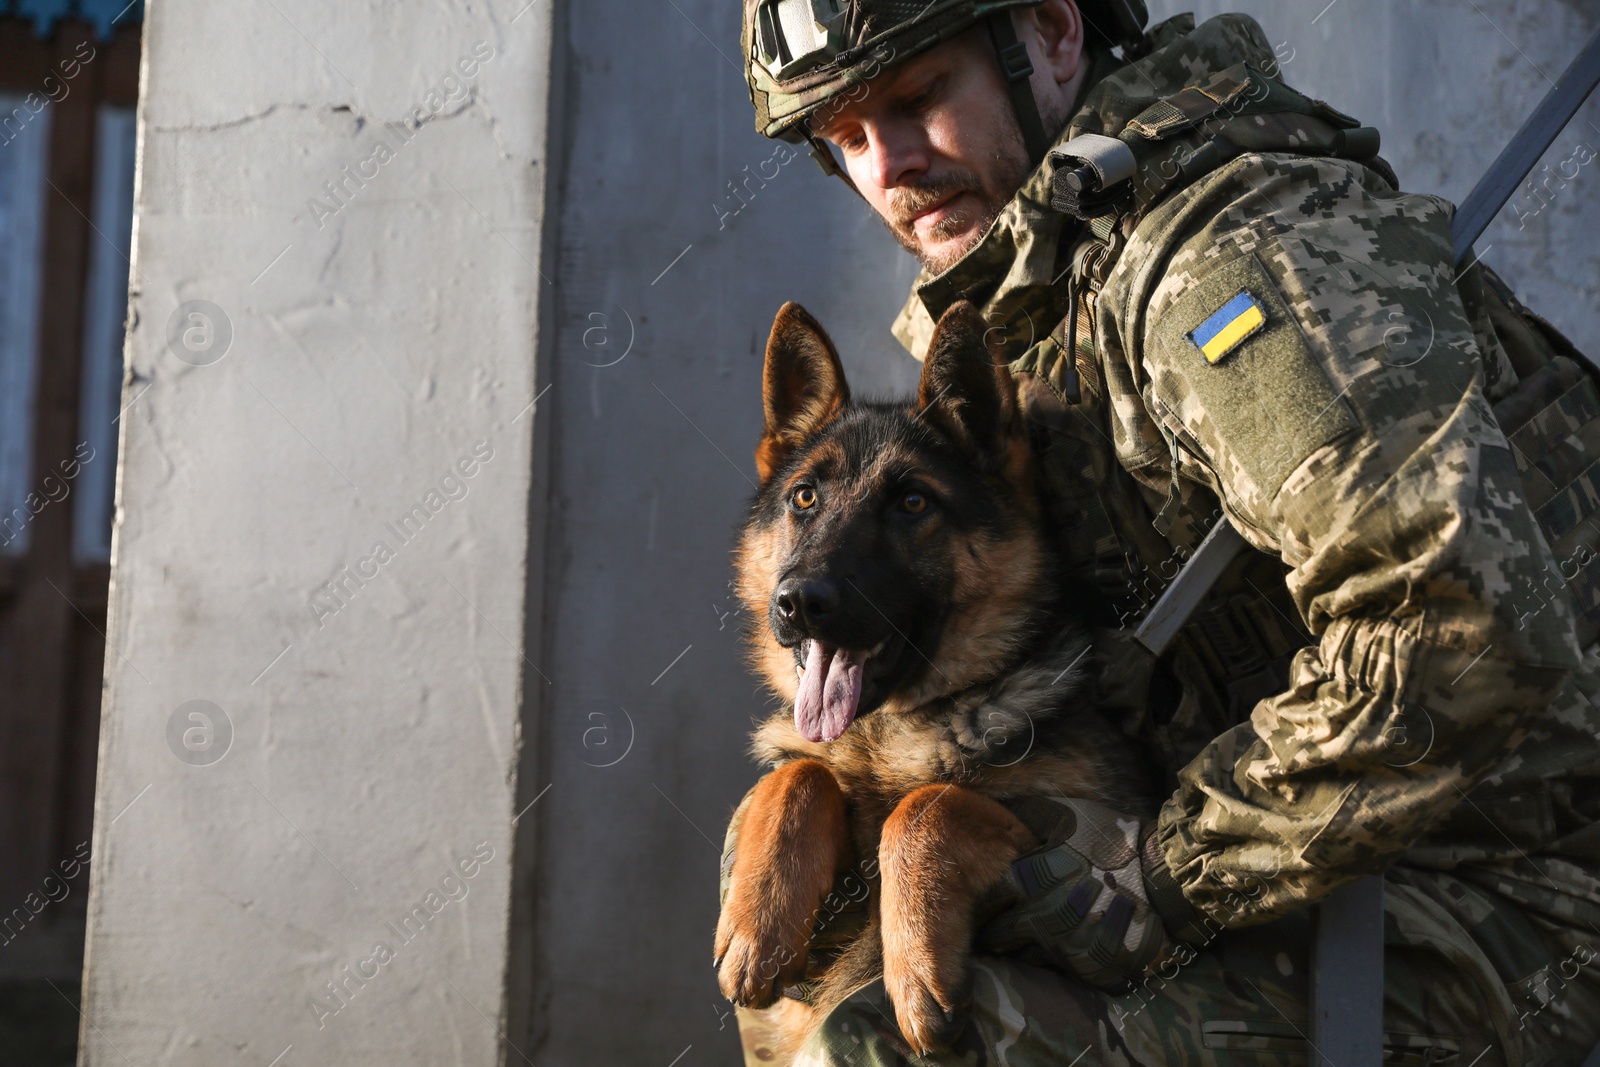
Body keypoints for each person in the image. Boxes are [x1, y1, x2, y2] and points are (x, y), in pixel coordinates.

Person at [725, 2, 1600, 1064]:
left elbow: (1454, 627)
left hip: (1498, 900)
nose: (889, 167)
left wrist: (1163, 879)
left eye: (914, 101)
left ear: (1049, 34)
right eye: (845, 140)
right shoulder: (1051, 294)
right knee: (807, 892)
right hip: (1302, 866)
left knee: (899, 1042)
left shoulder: (1230, 259)